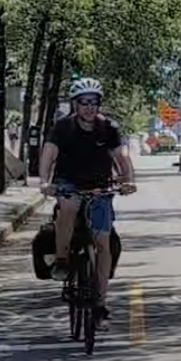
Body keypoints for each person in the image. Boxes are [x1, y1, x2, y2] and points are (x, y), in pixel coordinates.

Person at [37, 77, 136, 326]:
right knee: (68, 207)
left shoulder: (109, 128)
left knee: (103, 242)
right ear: (75, 105)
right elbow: (49, 154)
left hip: (99, 187)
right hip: (68, 183)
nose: (89, 107)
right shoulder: (62, 128)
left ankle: (101, 301)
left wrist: (128, 180)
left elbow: (122, 157)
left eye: (94, 102)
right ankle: (62, 260)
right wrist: (44, 181)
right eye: (84, 102)